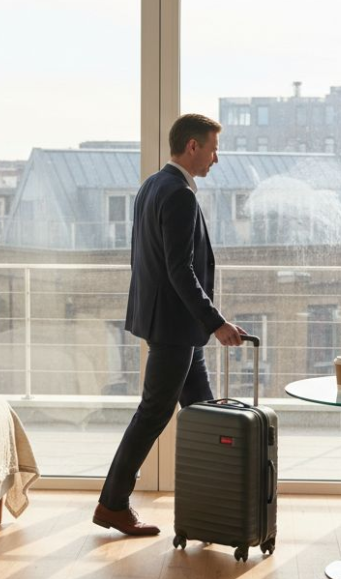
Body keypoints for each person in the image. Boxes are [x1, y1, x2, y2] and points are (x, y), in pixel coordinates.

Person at [93, 113, 247, 536]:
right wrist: (216, 322)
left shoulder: (152, 185)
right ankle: (112, 503)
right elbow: (181, 270)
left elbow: (149, 260)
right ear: (193, 146)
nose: (217, 158)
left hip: (173, 326)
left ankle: (215, 511)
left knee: (205, 414)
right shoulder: (179, 194)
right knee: (153, 413)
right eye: (213, 149)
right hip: (176, 329)